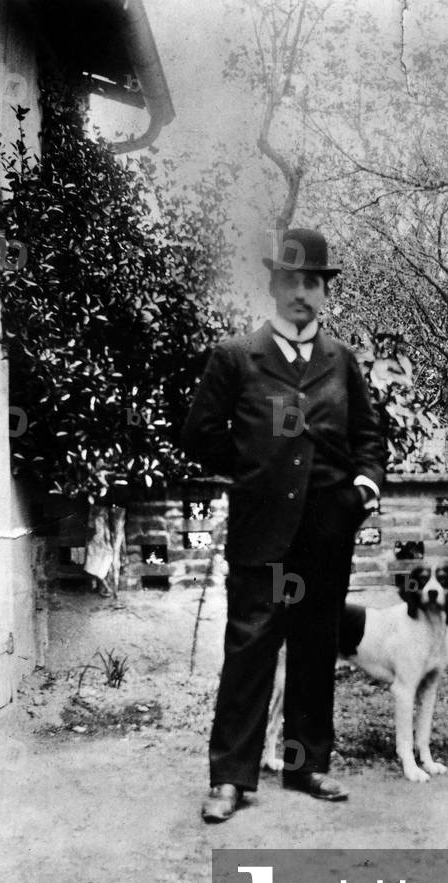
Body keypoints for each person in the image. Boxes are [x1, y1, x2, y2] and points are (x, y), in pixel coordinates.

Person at [183, 227, 385, 822]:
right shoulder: (236, 358)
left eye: (314, 282)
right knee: (249, 650)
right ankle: (230, 778)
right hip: (262, 533)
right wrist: (254, 473)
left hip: (326, 534)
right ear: (274, 286)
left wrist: (360, 490)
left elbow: (370, 439)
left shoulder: (341, 361)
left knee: (316, 648)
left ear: (325, 291)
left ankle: (307, 766)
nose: (303, 292)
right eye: (292, 280)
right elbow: (199, 436)